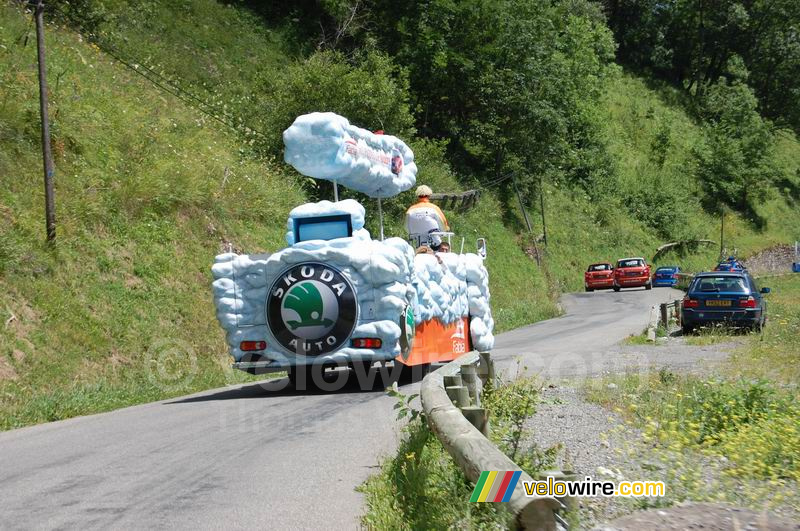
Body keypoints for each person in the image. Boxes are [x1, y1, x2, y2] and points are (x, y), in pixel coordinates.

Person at [405, 185, 449, 249]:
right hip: (433, 239)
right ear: (429, 196)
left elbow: (406, 226)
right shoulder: (434, 208)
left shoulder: (410, 210)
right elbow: (443, 222)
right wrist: (444, 231)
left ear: (417, 196)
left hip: (417, 238)